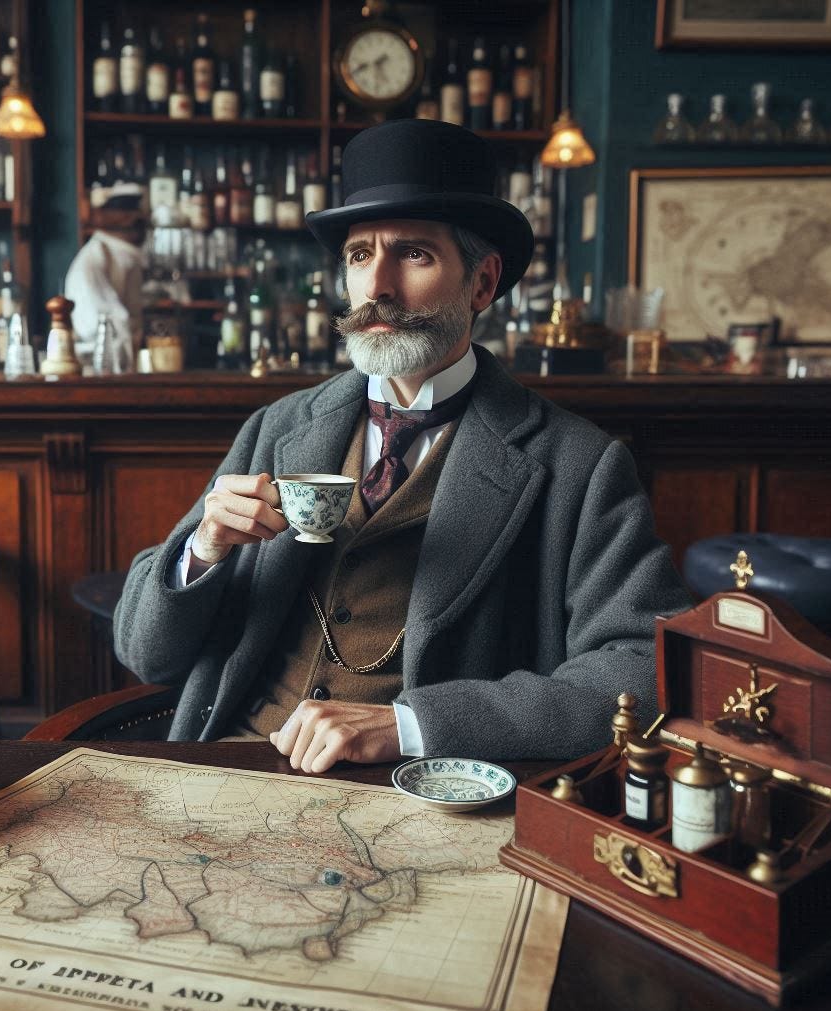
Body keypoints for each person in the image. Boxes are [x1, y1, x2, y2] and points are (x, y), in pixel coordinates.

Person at [113, 119, 691, 774]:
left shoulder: (577, 463)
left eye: (413, 254)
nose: (378, 285)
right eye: (360, 255)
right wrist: (202, 551)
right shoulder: (278, 428)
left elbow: (644, 673)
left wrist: (414, 726)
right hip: (233, 764)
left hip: (423, 790)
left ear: (482, 283)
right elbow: (144, 652)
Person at [63, 185, 148, 367]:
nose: (136, 220)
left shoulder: (122, 256)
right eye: (129, 214)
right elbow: (103, 326)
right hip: (97, 368)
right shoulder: (91, 262)